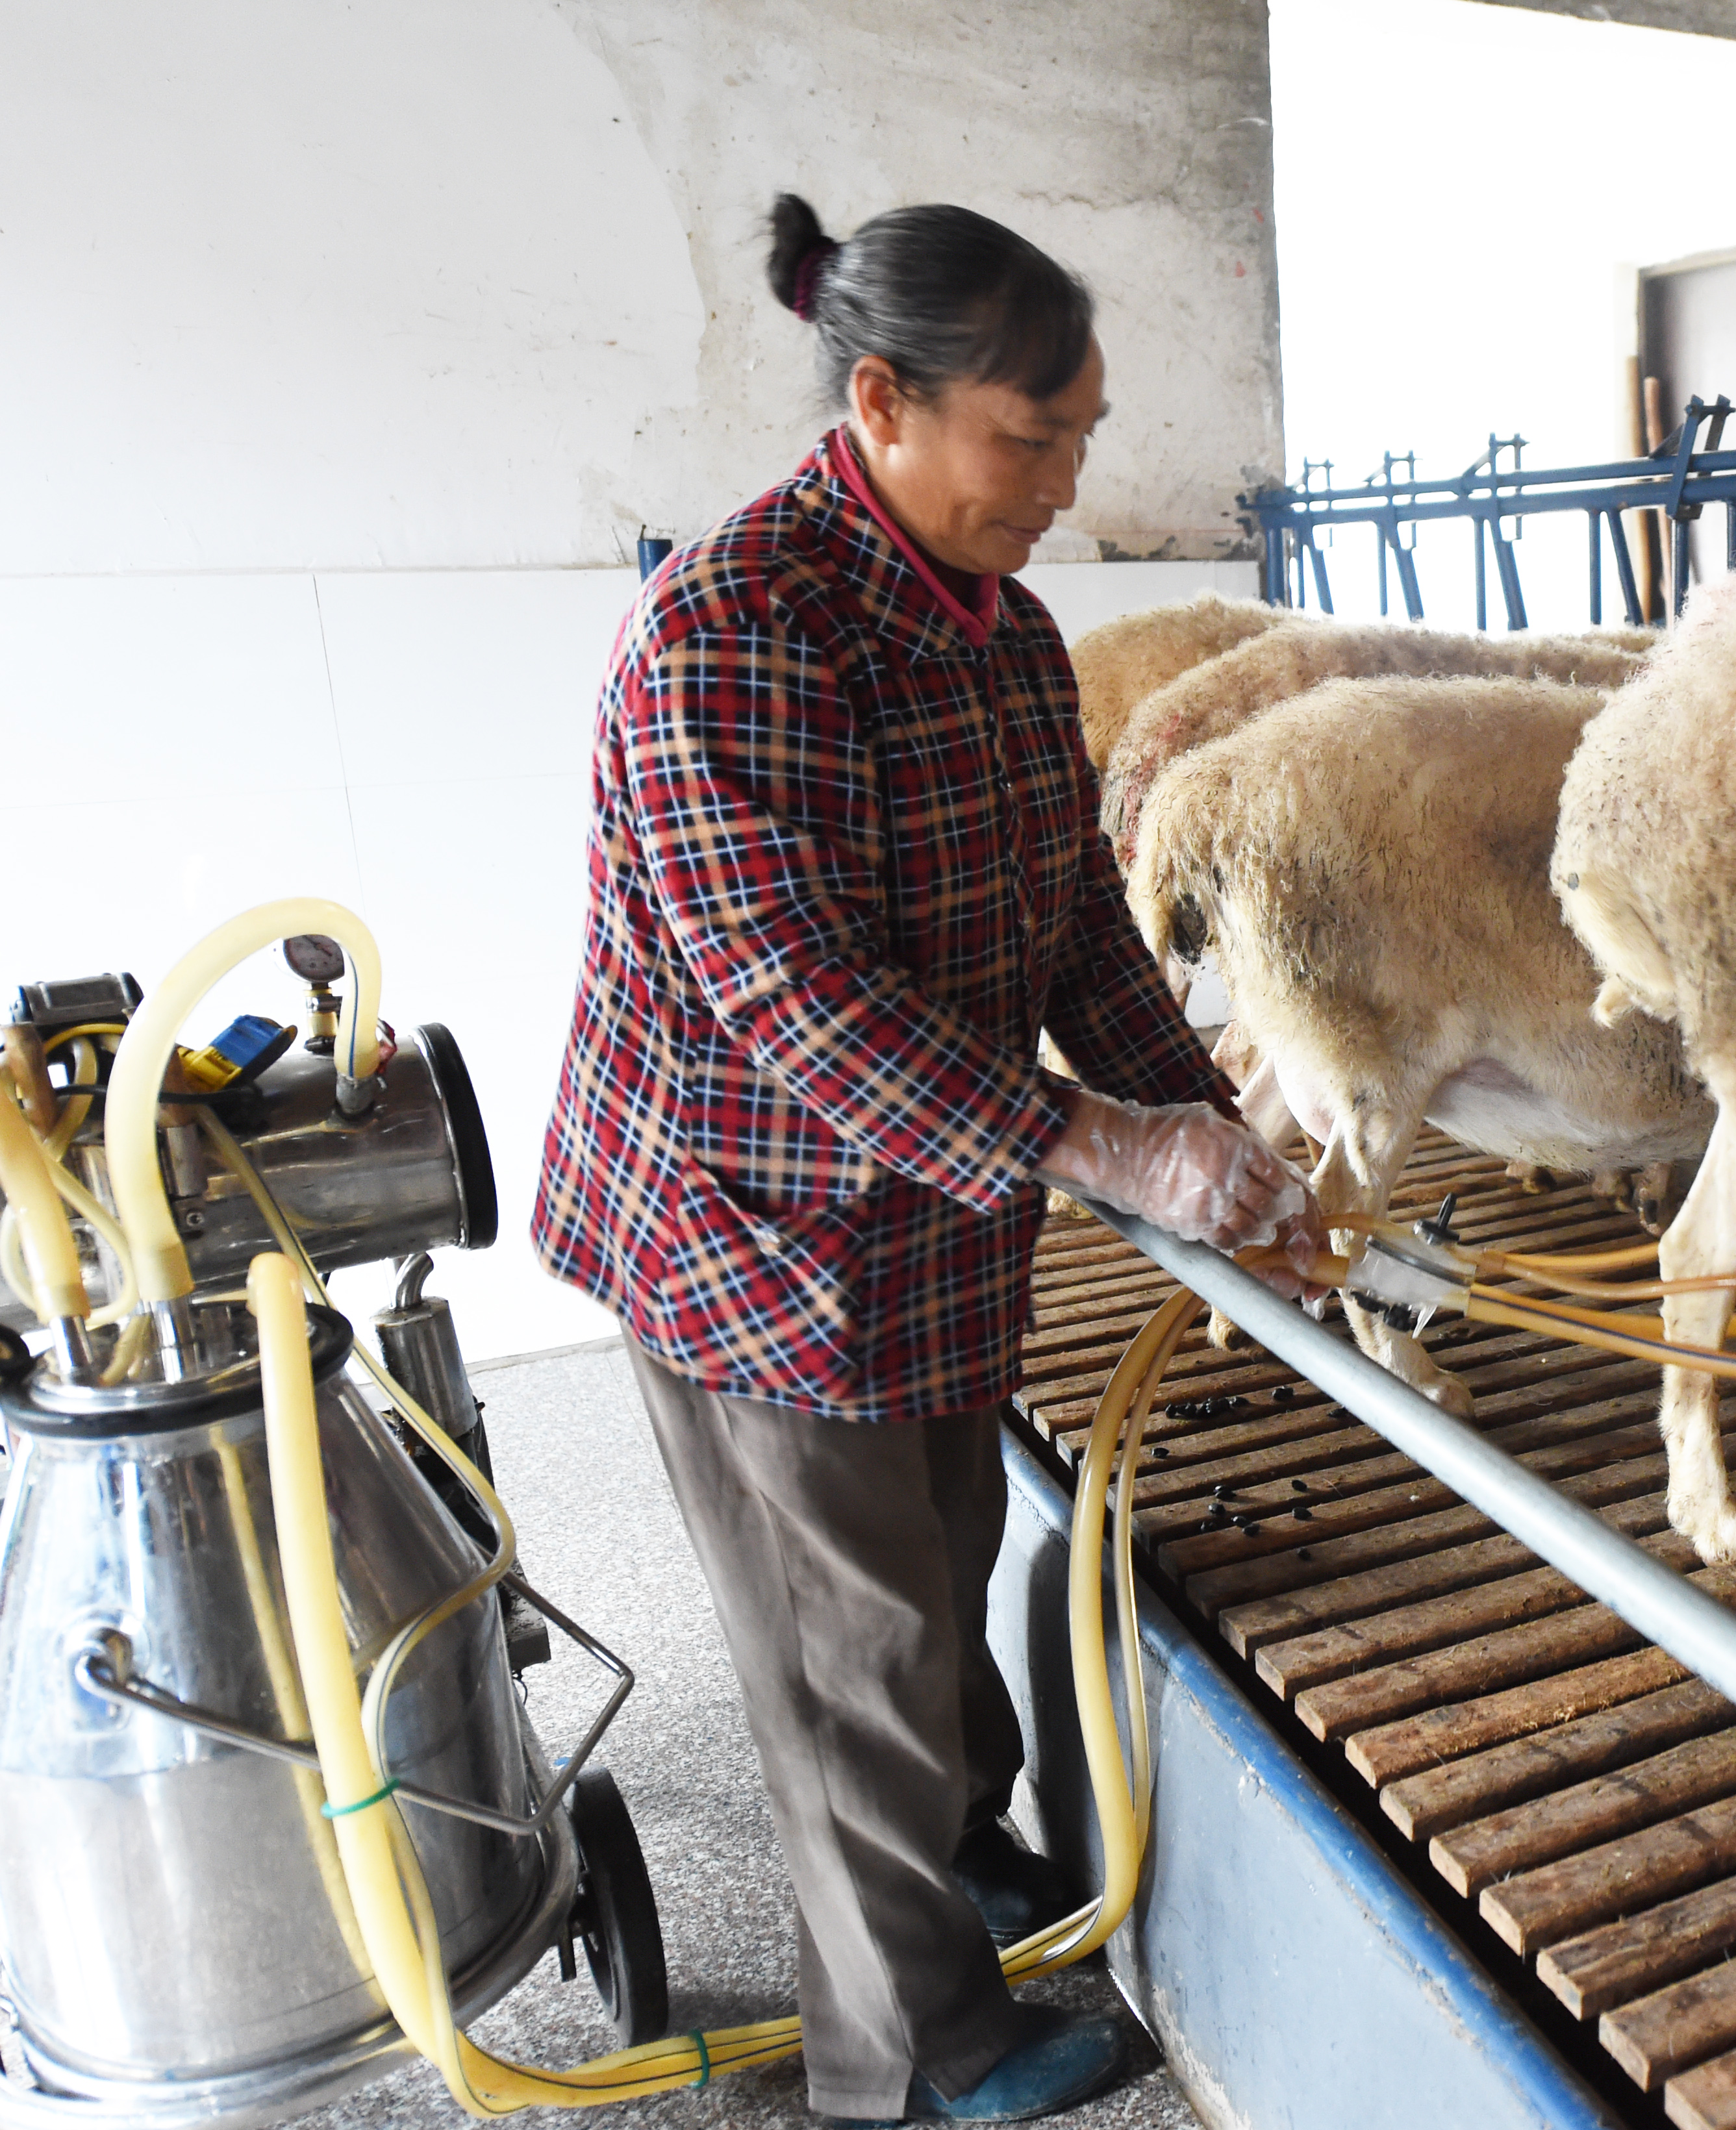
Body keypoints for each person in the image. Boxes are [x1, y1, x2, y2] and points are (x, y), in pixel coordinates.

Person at [532, 192, 1316, 2125]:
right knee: (849, 1660)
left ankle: (952, 1872)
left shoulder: (1002, 630)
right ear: (878, 399)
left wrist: (1201, 1125)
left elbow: (1067, 921)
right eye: (1023, 437)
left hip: (933, 1209)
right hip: (752, 1233)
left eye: (1081, 433)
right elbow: (798, 1001)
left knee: (940, 1565)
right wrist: (1113, 1152)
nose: (1062, 480)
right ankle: (909, 2055)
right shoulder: (732, 633)